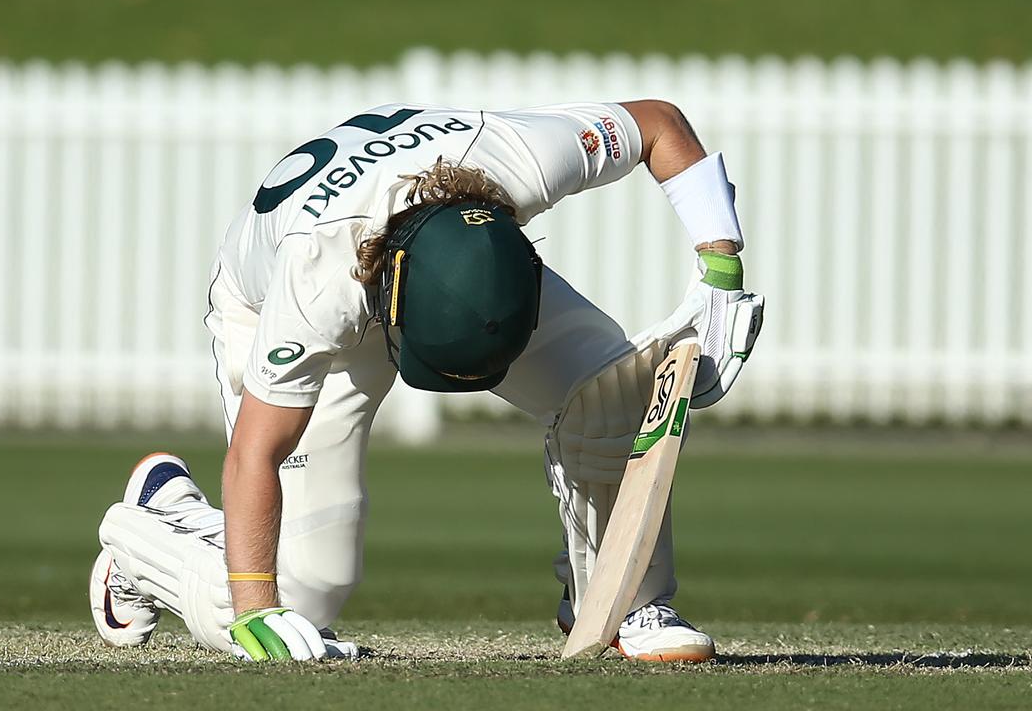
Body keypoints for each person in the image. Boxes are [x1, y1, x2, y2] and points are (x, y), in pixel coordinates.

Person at [90, 100, 764, 662]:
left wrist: (722, 273)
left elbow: (658, 126)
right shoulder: (312, 283)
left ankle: (625, 601)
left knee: (609, 385)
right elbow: (254, 455)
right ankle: (156, 528)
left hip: (432, 237)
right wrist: (256, 610)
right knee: (301, 596)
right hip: (283, 293)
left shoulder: (518, 157)